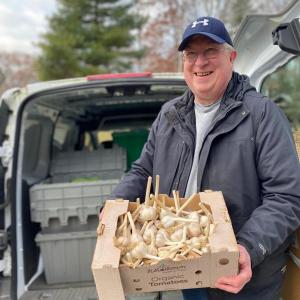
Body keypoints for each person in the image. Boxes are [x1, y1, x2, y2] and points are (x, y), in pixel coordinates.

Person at [110, 16, 300, 299]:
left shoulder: (262, 115)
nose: (200, 63)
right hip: (185, 259)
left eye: (211, 51)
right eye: (191, 54)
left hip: (245, 274)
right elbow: (142, 171)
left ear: (231, 57)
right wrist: (114, 205)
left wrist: (248, 247)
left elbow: (286, 196)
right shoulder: (169, 115)